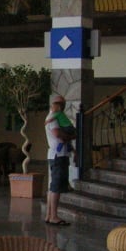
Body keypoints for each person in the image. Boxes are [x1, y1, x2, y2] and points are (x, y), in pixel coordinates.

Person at [45, 93, 76, 226]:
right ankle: (53, 216)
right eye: (58, 103)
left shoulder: (55, 117)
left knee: (53, 187)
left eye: (63, 104)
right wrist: (70, 137)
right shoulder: (53, 118)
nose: (61, 106)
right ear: (53, 104)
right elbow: (57, 134)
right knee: (56, 187)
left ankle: (49, 215)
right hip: (58, 155)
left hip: (58, 155)